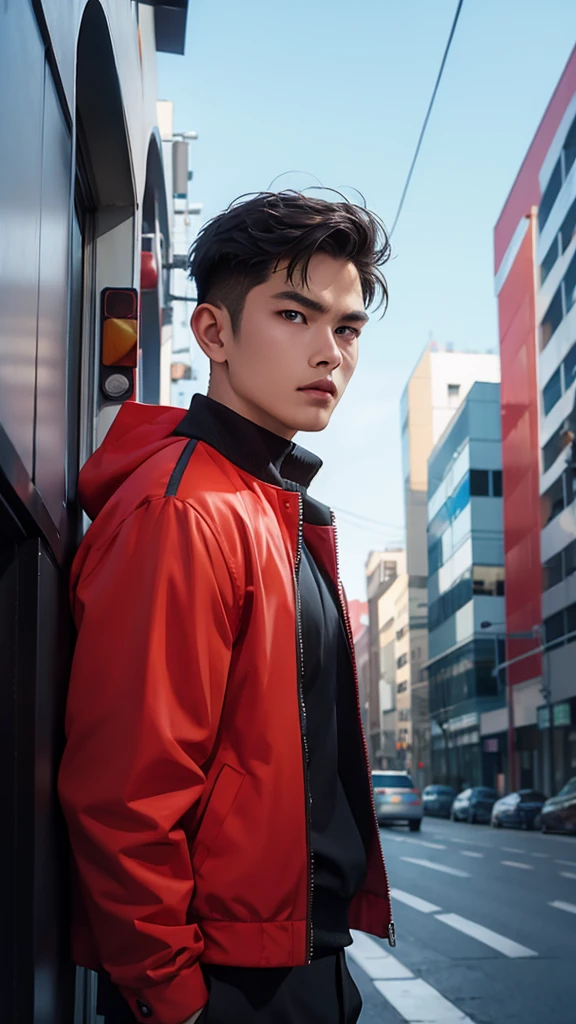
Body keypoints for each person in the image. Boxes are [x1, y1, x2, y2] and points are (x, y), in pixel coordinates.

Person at [59, 191, 395, 1024]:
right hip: (225, 982)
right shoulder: (186, 512)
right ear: (213, 333)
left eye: (347, 329)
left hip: (295, 958)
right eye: (294, 313)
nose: (330, 353)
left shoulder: (267, 505)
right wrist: (175, 1002)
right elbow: (125, 794)